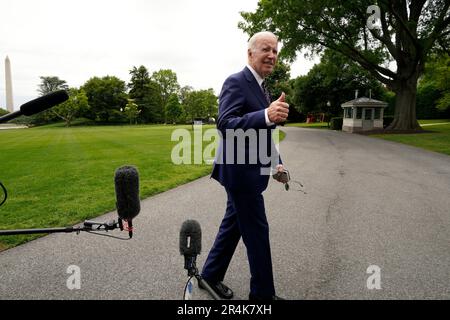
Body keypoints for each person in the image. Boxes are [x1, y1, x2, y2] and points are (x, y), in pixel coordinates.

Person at [199, 31, 289, 300]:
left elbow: (262, 134)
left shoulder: (263, 87)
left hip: (250, 172)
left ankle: (210, 276)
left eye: (275, 50)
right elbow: (225, 124)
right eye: (265, 49)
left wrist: (277, 164)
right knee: (258, 234)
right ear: (250, 53)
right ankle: (262, 296)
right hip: (240, 175)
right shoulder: (236, 82)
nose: (271, 55)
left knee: (233, 225)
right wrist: (265, 114)